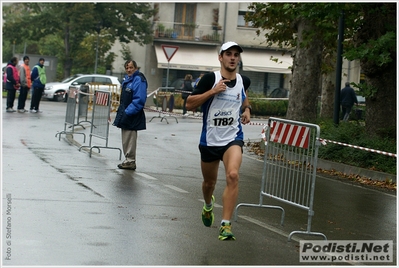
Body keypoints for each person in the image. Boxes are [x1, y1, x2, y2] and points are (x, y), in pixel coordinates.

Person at [186, 41, 251, 241]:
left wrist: (247, 109)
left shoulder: (243, 80)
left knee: (233, 175)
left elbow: (244, 97)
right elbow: (189, 104)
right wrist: (213, 91)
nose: (232, 58)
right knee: (209, 183)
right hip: (210, 140)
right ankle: (207, 205)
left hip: (233, 138)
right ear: (220, 57)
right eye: (228, 54)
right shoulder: (209, 79)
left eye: (236, 55)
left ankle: (225, 225)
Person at [113, 60, 148, 170]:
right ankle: (128, 159)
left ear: (136, 68)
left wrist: (128, 112)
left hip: (132, 114)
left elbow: (139, 99)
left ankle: (130, 160)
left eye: (131, 67)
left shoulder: (139, 79)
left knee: (130, 137)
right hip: (126, 112)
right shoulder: (128, 80)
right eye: (127, 68)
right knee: (126, 138)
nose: (129, 70)